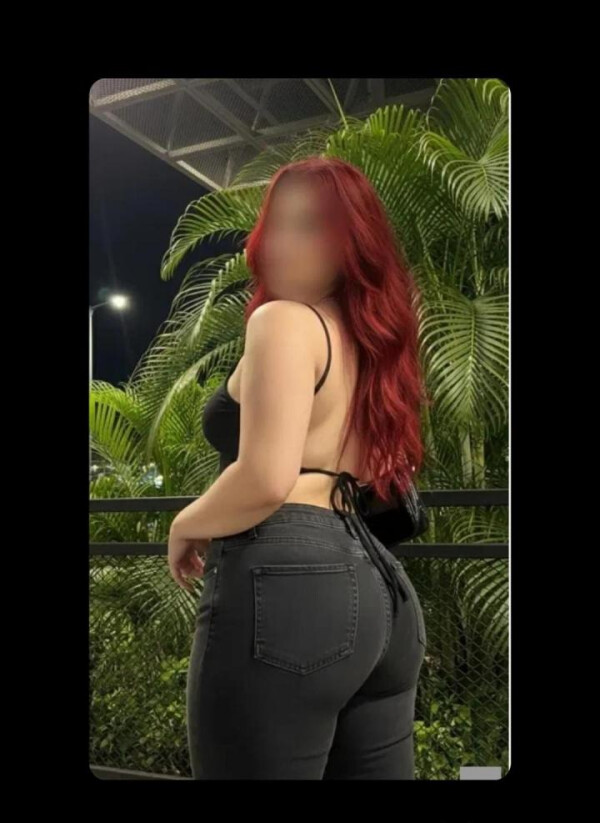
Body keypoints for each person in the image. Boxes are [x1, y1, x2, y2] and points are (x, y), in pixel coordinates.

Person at [168, 155, 429, 780]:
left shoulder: (284, 320)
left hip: (287, 585)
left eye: (310, 226)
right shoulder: (370, 342)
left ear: (352, 244)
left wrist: (186, 522)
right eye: (276, 224)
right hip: (382, 596)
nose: (281, 243)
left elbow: (265, 478)